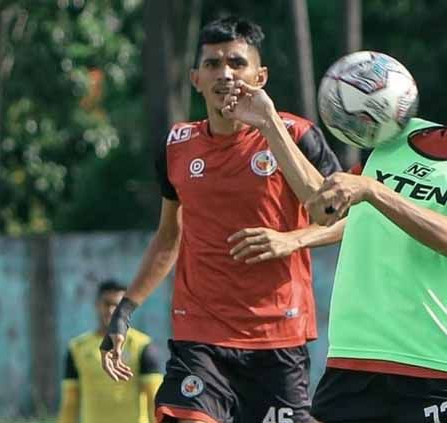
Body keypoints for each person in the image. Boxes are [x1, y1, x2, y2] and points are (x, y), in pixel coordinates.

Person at [223, 19, 447, 423]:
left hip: (441, 362)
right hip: (355, 358)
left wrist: (374, 190)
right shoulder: (402, 135)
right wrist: (269, 123)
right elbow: (324, 206)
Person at [99, 16, 342, 423]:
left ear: (259, 75)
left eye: (236, 62)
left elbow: (344, 218)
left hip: (277, 338)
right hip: (200, 337)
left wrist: (292, 240)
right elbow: (167, 237)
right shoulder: (177, 146)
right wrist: (124, 311)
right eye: (212, 64)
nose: (225, 74)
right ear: (195, 78)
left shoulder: (297, 135)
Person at [57, 280, 163, 423]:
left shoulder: (142, 345)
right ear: (96, 305)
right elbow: (70, 403)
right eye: (106, 304)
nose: (111, 310)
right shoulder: (77, 348)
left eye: (117, 305)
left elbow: (154, 399)